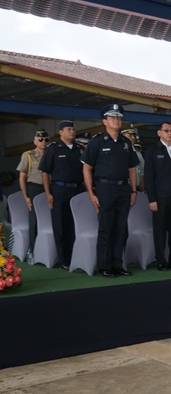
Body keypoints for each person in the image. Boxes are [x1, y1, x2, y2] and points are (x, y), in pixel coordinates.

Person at [81, 104, 140, 277]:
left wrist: (134, 191)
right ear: (104, 121)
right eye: (112, 117)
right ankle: (105, 266)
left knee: (121, 228)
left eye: (119, 117)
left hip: (123, 189)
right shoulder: (97, 142)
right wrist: (91, 193)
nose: (116, 120)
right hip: (104, 188)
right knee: (106, 228)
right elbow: (86, 168)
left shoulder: (126, 143)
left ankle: (117, 265)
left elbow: (132, 169)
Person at [144, 121, 171, 271]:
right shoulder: (152, 151)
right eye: (166, 131)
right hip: (160, 197)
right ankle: (161, 261)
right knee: (160, 231)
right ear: (159, 133)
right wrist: (152, 199)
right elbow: (149, 177)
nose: (170, 133)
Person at [39, 120, 84, 269]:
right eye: (69, 129)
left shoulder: (80, 149)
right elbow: (45, 172)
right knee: (61, 226)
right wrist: (48, 193)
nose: (72, 132)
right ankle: (64, 260)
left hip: (78, 190)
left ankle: (77, 256)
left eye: (73, 129)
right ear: (61, 132)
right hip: (60, 190)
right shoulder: (53, 149)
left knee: (76, 225)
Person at [17, 128, 49, 258]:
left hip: (50, 188)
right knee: (34, 220)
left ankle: (47, 250)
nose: (43, 142)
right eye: (40, 139)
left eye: (46, 140)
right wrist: (26, 197)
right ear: (35, 142)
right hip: (34, 188)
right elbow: (22, 177)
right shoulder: (28, 155)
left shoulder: (51, 154)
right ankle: (33, 249)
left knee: (49, 219)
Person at [122, 124, 145, 192]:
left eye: (133, 135)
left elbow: (141, 174)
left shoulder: (138, 154)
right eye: (130, 135)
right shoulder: (117, 153)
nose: (133, 138)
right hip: (122, 189)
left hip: (136, 190)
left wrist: (143, 191)